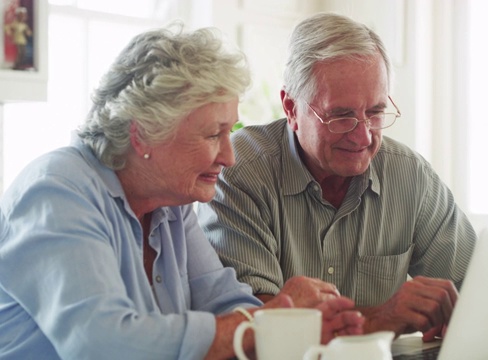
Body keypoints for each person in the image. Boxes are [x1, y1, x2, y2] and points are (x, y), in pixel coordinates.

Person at [0, 24, 364, 359]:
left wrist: (296, 323)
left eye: (230, 131)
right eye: (212, 135)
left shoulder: (170, 205)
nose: (229, 157)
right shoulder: (55, 192)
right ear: (142, 133)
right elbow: (102, 344)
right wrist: (265, 322)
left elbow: (225, 303)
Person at [198, 12, 477, 341]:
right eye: (341, 116)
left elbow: (474, 288)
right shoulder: (240, 171)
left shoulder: (409, 175)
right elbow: (256, 326)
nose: (363, 137)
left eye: (375, 112)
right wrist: (379, 319)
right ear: (290, 108)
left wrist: (458, 315)